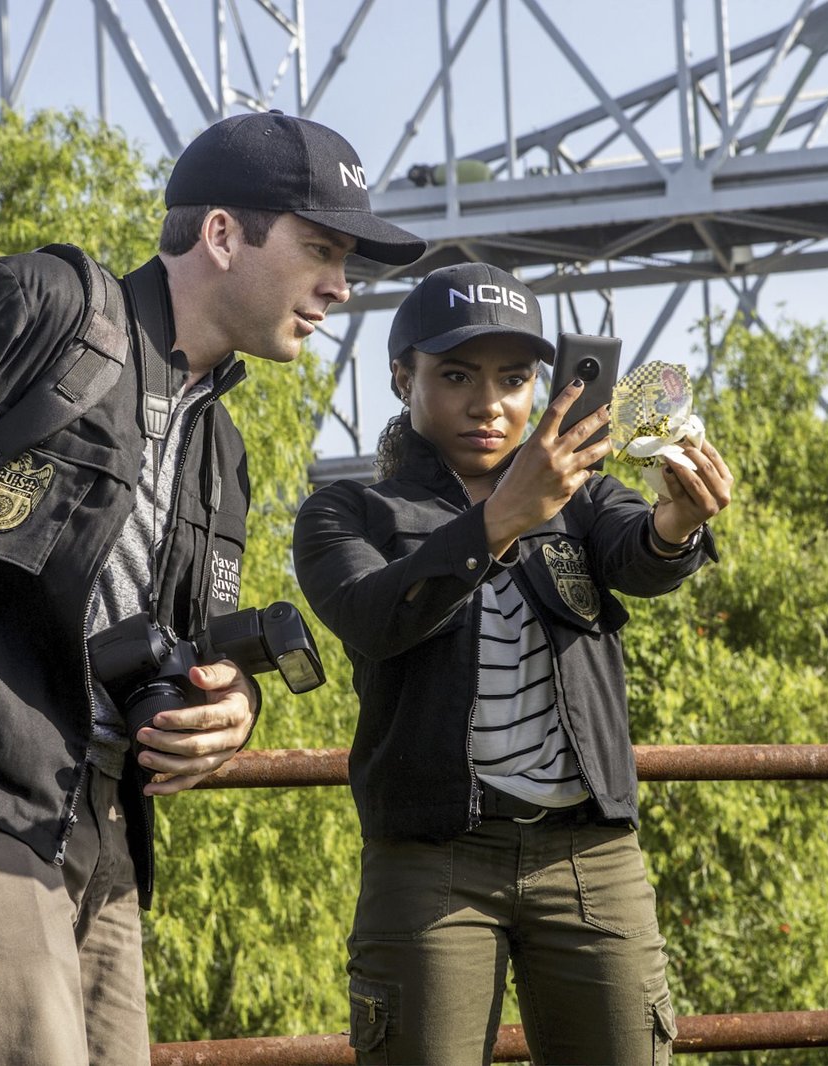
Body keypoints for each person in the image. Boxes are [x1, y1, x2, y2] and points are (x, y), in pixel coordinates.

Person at [0, 111, 424, 1066]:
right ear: (222, 234)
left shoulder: (219, 451)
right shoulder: (41, 309)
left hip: (99, 827)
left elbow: (185, 641)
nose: (342, 286)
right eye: (322, 251)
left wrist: (231, 705)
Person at [292, 262, 734, 1066]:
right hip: (430, 860)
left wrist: (675, 524)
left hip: (590, 854)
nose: (489, 403)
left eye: (514, 377)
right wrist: (500, 519)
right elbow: (372, 616)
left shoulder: (584, 496)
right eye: (457, 375)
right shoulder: (349, 512)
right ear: (403, 377)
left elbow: (639, 556)